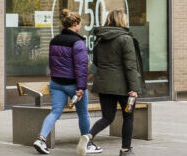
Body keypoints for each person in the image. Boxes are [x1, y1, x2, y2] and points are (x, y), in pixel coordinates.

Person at [31, 11, 95, 154]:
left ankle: (41, 139)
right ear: (75, 24)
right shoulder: (78, 42)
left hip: (56, 83)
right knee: (83, 113)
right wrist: (81, 87)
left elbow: (52, 63)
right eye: (80, 23)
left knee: (55, 112)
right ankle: (87, 144)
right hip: (73, 85)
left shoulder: (54, 40)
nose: (81, 25)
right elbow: (81, 67)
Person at [86, 11, 146, 154]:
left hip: (104, 85)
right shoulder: (125, 39)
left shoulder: (100, 39)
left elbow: (96, 63)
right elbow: (130, 66)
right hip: (124, 88)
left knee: (107, 117)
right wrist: (134, 88)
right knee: (128, 117)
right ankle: (125, 150)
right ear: (121, 21)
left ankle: (88, 136)